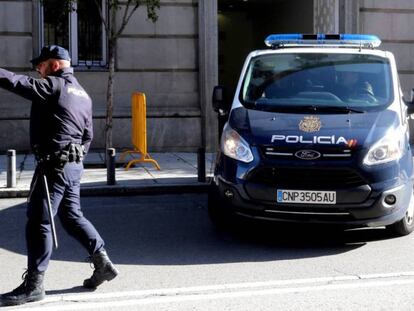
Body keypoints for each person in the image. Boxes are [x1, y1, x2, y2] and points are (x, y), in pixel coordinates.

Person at [0, 45, 118, 306]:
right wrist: (74, 159)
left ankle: (34, 285)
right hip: (72, 166)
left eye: (40, 67)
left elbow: (18, 83)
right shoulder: (83, 95)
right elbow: (88, 136)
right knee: (71, 215)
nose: (38, 73)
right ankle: (102, 262)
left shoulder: (54, 86)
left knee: (39, 221)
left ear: (54, 64)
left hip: (54, 166)